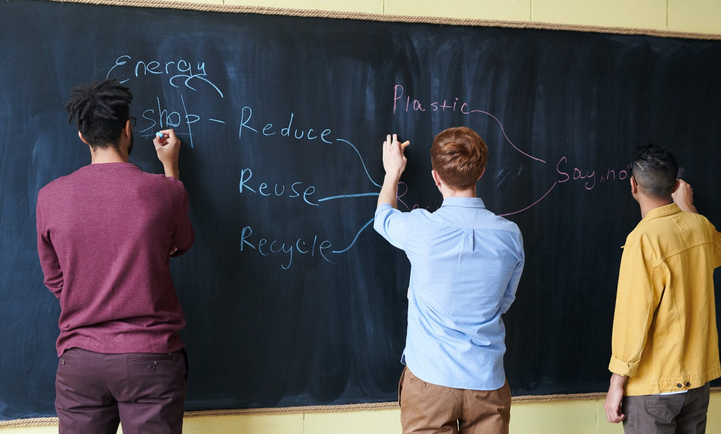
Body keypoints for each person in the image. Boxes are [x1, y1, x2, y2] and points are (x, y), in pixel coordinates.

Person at [36, 79, 194, 433]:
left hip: (80, 361)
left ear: (82, 136)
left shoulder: (50, 196)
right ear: (127, 129)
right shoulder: (165, 192)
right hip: (151, 358)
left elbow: (55, 279)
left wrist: (93, 299)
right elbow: (181, 243)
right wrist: (171, 170)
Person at [374, 128, 525, 433]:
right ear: (481, 172)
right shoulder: (510, 236)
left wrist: (392, 173)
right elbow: (504, 301)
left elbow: (383, 219)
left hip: (430, 380)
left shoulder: (420, 229)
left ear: (435, 177)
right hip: (486, 381)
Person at [604, 144, 721, 433]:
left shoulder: (642, 240)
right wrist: (689, 208)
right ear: (676, 185)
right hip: (698, 382)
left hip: (654, 386)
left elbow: (633, 318)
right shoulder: (701, 227)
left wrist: (616, 383)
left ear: (633, 185)